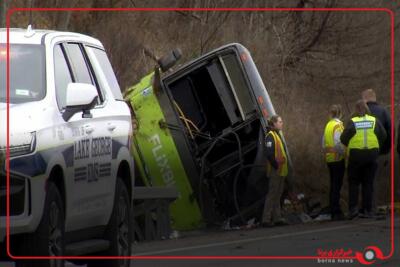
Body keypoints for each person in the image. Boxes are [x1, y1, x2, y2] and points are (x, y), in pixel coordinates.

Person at [340, 100, 386, 219]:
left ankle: (353, 209)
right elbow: (383, 135)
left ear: (356, 110)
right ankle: (368, 210)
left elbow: (343, 138)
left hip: (356, 156)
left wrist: (351, 143)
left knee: (354, 183)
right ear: (366, 109)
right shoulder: (374, 121)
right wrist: (376, 145)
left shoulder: (353, 122)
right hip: (372, 155)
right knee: (368, 183)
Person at [262, 115, 289, 227]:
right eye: (280, 121)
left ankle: (277, 218)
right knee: (272, 195)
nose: (282, 123)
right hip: (276, 171)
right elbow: (269, 153)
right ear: (274, 124)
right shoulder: (270, 136)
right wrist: (276, 166)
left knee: (277, 195)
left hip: (280, 171)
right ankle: (266, 219)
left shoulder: (276, 135)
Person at [322, 105, 346, 220]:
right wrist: (345, 153)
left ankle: (333, 209)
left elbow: (323, 143)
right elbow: (338, 143)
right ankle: (336, 211)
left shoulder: (328, 125)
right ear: (340, 113)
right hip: (338, 159)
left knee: (333, 185)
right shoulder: (338, 125)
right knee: (337, 185)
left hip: (329, 159)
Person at [362, 89, 391, 155]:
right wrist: (386, 149)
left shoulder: (358, 113)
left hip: (361, 153)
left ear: (364, 99)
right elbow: (390, 131)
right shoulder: (384, 112)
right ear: (374, 98)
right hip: (380, 150)